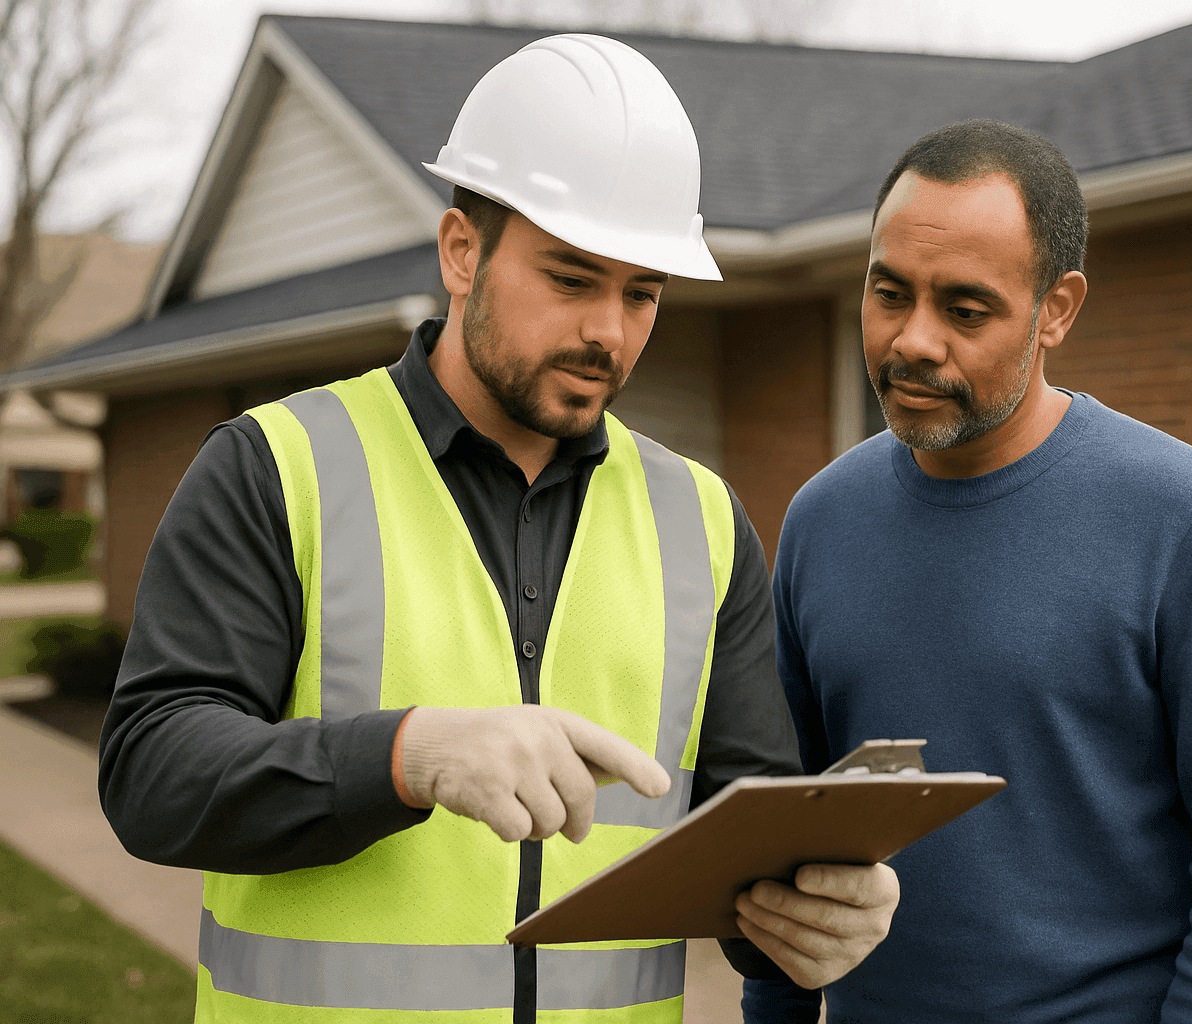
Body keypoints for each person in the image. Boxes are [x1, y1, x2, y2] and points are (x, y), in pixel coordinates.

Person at [98, 34, 897, 1023]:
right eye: (572, 277)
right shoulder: (276, 467)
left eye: (642, 291)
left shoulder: (702, 523)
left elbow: (742, 848)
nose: (611, 329)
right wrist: (408, 756)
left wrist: (815, 907)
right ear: (461, 252)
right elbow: (153, 772)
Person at [746, 119, 1192, 1023]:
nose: (913, 341)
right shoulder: (823, 518)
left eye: (965, 309)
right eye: (889, 294)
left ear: (1056, 309)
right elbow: (787, 831)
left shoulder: (1188, 521)